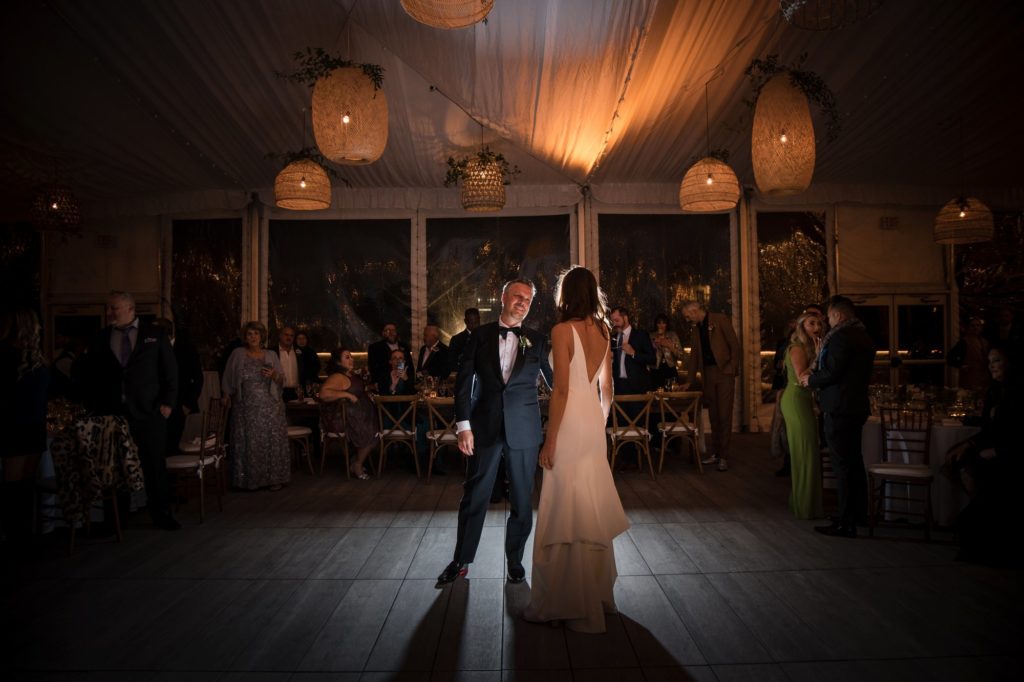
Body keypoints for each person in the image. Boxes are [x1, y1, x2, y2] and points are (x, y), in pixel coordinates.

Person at [523, 266, 629, 633]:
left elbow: (562, 391)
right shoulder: (603, 330)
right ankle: (596, 596)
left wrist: (550, 439)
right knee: (587, 504)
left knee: (564, 504)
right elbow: (608, 391)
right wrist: (596, 426)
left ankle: (565, 601)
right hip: (591, 426)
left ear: (565, 294)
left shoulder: (561, 330)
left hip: (569, 425)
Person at [436, 278, 552, 587]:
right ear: (502, 297)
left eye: (527, 299)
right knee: (474, 496)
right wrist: (463, 426)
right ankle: (461, 560)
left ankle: (515, 561)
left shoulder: (538, 340)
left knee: (523, 502)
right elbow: (463, 384)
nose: (522, 302)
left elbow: (557, 386)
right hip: (483, 429)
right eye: (517, 296)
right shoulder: (480, 336)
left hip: (525, 433)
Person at [79, 291, 180, 529]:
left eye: (114, 308)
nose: (109, 313)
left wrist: (167, 405)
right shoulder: (102, 337)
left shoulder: (154, 335)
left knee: (154, 465)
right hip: (112, 414)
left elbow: (171, 372)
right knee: (114, 467)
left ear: (130, 309)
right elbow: (89, 373)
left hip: (149, 412)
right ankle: (116, 519)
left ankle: (161, 514)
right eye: (109, 308)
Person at [799, 295, 874, 538]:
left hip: (840, 407)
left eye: (829, 316)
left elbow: (833, 372)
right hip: (856, 405)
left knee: (843, 466)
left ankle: (846, 521)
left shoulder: (842, 337)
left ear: (839, 315)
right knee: (854, 463)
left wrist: (811, 379)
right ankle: (856, 514)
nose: (827, 322)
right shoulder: (862, 334)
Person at [945, 346, 1021, 564]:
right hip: (993, 445)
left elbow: (1014, 431)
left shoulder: (1017, 392)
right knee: (957, 458)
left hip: (1011, 451)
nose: (991, 366)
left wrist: (997, 450)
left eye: (996, 361)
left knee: (975, 469)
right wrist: (969, 443)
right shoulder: (994, 391)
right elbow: (989, 427)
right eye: (989, 362)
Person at [0, 307, 50, 545]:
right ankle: (23, 534)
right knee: (24, 484)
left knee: (14, 485)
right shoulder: (36, 361)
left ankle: (15, 534)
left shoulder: (8, 356)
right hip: (31, 427)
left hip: (16, 427)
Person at [221, 321, 290, 491]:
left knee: (270, 442)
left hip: (271, 407)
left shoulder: (271, 355)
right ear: (245, 337)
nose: (253, 337)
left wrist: (274, 375)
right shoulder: (238, 354)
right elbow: (228, 379)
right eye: (250, 334)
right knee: (249, 442)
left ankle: (274, 479)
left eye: (256, 334)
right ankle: (249, 481)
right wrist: (226, 396)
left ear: (262, 337)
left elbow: (282, 380)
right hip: (246, 407)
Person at [681, 300, 741, 472]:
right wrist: (689, 381)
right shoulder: (695, 329)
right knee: (713, 415)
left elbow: (735, 346)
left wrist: (731, 368)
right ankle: (716, 453)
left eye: (687, 316)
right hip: (707, 374)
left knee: (724, 415)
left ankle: (724, 456)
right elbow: (693, 357)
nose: (687, 320)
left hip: (724, 374)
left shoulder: (719, 319)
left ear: (694, 311)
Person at [781, 312, 824, 520]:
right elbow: (802, 377)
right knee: (805, 453)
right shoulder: (797, 348)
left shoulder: (807, 348)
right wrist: (817, 356)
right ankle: (805, 506)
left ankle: (804, 502)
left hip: (804, 401)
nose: (816, 327)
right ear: (801, 326)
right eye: (811, 323)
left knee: (809, 452)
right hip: (796, 400)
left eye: (819, 323)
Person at [320, 347, 379, 480]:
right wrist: (346, 394)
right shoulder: (337, 376)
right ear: (338, 362)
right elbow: (324, 393)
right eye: (347, 357)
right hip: (346, 418)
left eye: (351, 356)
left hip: (361, 415)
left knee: (377, 428)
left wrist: (370, 388)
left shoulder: (350, 375)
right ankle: (357, 464)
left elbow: (358, 389)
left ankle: (355, 459)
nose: (351, 359)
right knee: (370, 432)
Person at [152, 317, 203, 454]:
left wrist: (188, 404)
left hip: (179, 404)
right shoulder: (152, 349)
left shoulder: (186, 349)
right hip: (156, 405)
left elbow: (198, 378)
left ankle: (172, 474)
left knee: (172, 444)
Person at [609, 307, 656, 395]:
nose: (614, 324)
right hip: (618, 388)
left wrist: (633, 353)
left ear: (625, 318)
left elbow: (652, 359)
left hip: (637, 387)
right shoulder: (613, 338)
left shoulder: (641, 335)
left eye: (616, 320)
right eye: (613, 321)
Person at [948, 317, 990, 393]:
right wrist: (961, 365)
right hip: (970, 377)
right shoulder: (964, 342)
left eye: (977, 325)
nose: (975, 327)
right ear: (968, 327)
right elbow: (950, 357)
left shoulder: (985, 341)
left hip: (984, 377)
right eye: (972, 325)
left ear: (981, 328)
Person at [368, 323, 413, 392]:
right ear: (383, 333)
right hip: (384, 382)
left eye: (393, 330)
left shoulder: (404, 346)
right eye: (388, 330)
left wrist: (408, 379)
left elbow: (410, 365)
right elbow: (372, 366)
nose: (391, 333)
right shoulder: (375, 347)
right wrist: (377, 383)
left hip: (404, 380)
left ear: (396, 332)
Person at [651, 313, 684, 389]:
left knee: (671, 394)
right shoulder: (651, 336)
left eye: (664, 323)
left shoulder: (672, 335)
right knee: (656, 395)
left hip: (670, 368)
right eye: (659, 323)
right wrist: (655, 345)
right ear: (656, 324)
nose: (661, 325)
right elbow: (647, 353)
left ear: (667, 324)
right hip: (655, 368)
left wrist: (670, 346)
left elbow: (680, 355)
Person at [448, 308, 481, 375]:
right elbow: (451, 361)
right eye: (471, 323)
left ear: (479, 320)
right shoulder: (456, 340)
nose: (474, 326)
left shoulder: (485, 337)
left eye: (476, 323)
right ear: (465, 321)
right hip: (463, 376)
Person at [275, 326, 302, 402]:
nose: (289, 337)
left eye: (291, 335)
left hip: (296, 392)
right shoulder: (273, 352)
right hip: (278, 391)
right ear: (280, 336)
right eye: (286, 335)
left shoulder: (299, 352)